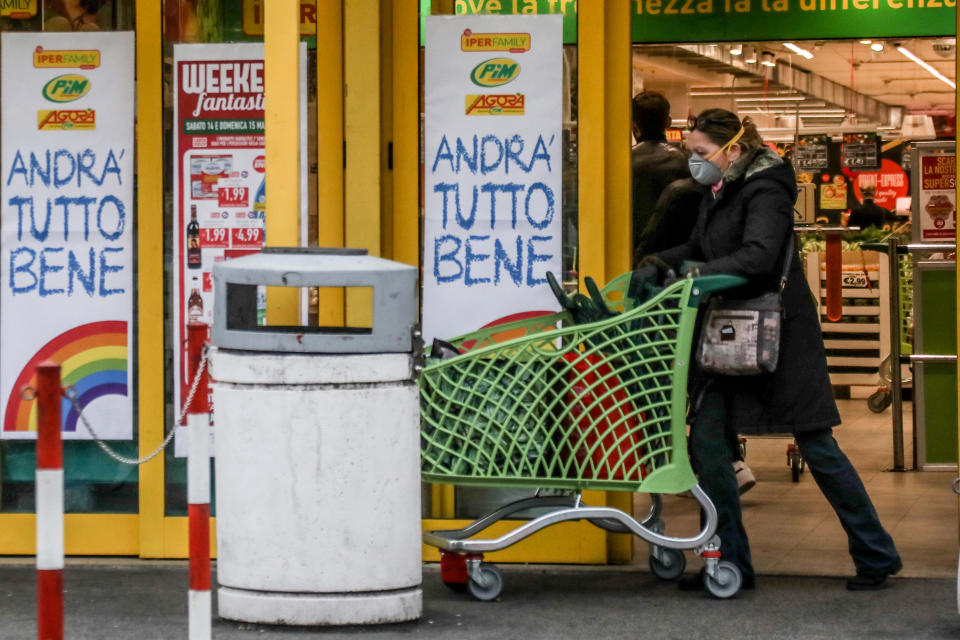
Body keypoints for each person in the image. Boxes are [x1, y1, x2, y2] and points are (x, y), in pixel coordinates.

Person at [635, 108, 901, 591]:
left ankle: (875, 553)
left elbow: (759, 256)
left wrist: (693, 273)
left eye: (699, 152)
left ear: (731, 149)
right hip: (732, 335)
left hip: (780, 334)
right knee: (708, 443)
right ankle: (730, 560)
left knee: (817, 444)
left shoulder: (767, 187)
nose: (694, 162)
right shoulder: (718, 191)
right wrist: (659, 261)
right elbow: (699, 243)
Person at [630, 91, 690, 263]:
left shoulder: (621, 164)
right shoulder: (685, 162)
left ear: (634, 124)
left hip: (631, 254)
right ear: (668, 122)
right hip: (674, 254)